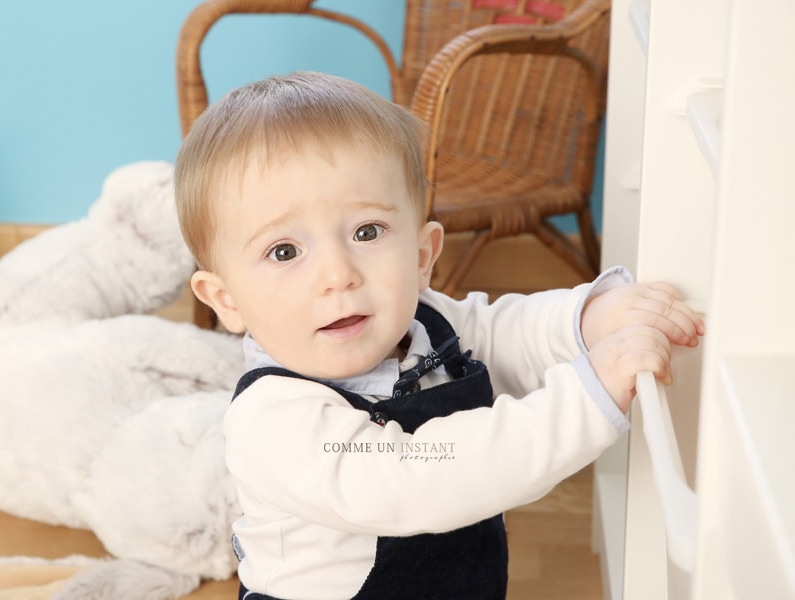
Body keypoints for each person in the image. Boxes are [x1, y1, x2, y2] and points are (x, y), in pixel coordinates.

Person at [174, 71, 704, 600]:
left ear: (423, 254)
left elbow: (504, 333)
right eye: (284, 252)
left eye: (367, 232)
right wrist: (587, 398)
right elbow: (418, 477)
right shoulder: (273, 419)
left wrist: (586, 320)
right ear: (226, 300)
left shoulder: (425, 323)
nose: (338, 274)